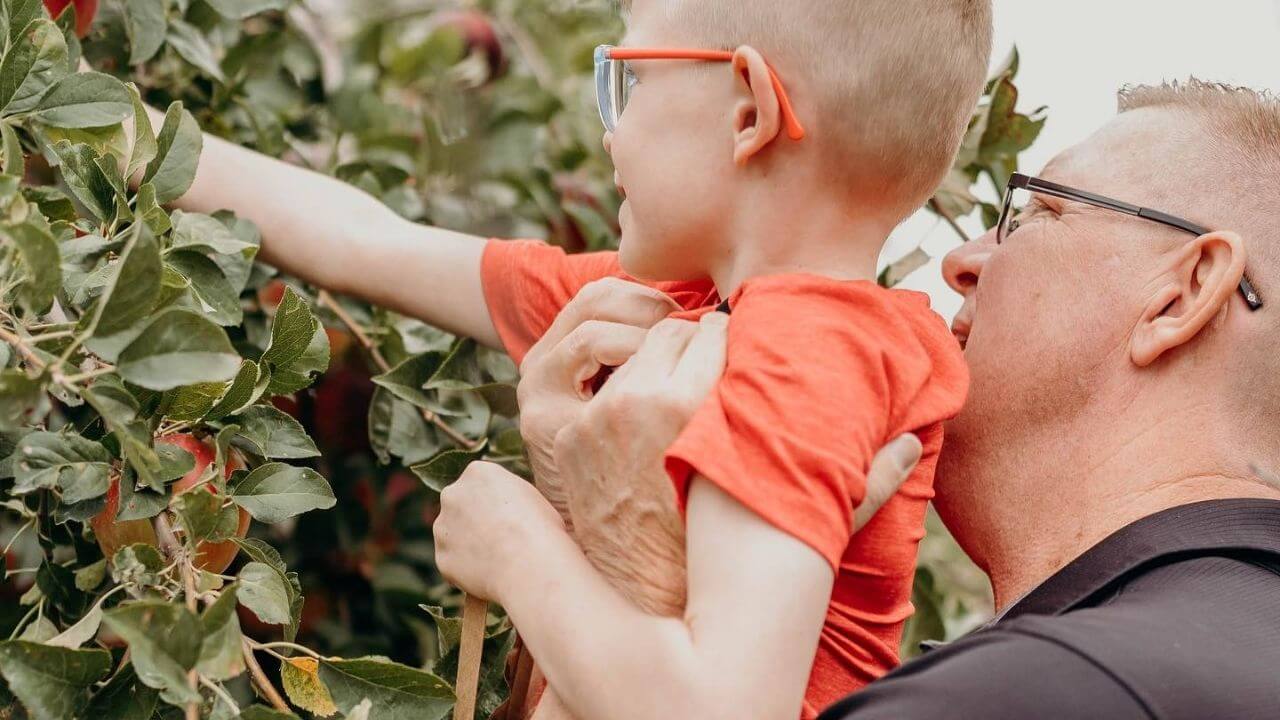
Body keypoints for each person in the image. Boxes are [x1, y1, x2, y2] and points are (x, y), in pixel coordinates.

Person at [164, 0, 991, 717]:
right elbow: (369, 242)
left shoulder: (810, 355)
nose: (610, 126)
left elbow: (721, 709)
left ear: (749, 113)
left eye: (628, 80)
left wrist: (517, 546)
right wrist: (122, 135)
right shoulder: (692, 308)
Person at [453, 79, 1280, 719]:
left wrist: (560, 553)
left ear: (1186, 291)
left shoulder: (1037, 692)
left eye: (1033, 213)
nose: (962, 259)